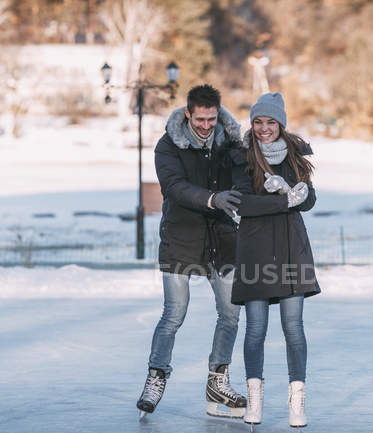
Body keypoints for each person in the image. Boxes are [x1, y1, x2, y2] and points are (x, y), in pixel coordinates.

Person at [136, 84, 248, 419]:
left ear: (218, 113)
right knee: (174, 315)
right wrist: (214, 199)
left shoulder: (230, 142)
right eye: (200, 119)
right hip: (182, 238)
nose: (205, 125)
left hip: (223, 240)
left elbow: (245, 177)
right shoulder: (168, 145)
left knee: (230, 315)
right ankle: (156, 376)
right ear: (188, 113)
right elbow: (174, 187)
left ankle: (218, 381)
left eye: (211, 119)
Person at [230, 92, 320, 430]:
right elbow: (244, 205)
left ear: (280, 123)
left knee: (293, 327)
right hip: (255, 249)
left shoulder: (296, 155)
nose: (263, 128)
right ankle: (255, 399)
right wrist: (285, 198)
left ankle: (297, 401)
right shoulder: (241, 157)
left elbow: (309, 199)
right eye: (258, 122)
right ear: (251, 124)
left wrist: (298, 193)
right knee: (255, 328)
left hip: (290, 247)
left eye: (270, 122)